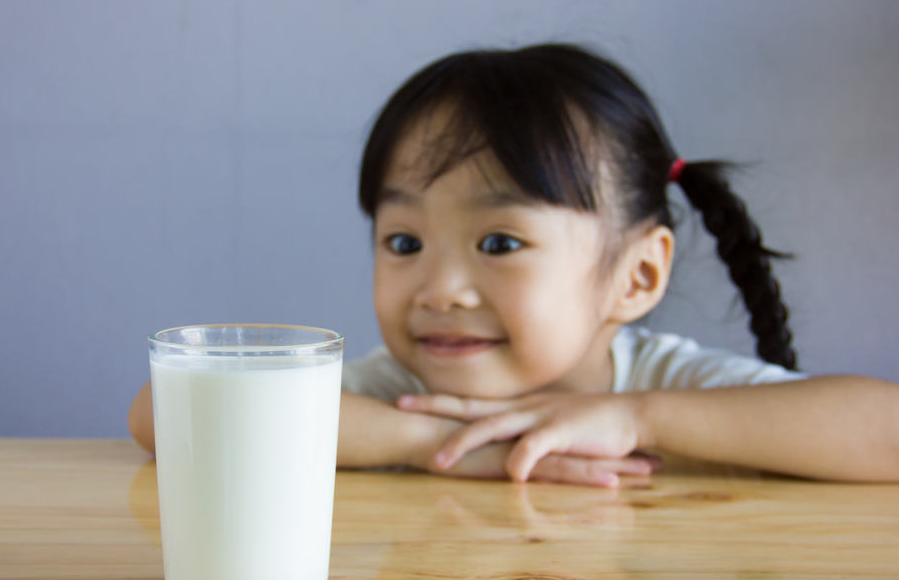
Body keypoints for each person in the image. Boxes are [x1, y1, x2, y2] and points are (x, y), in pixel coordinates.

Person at [129, 43, 899, 486]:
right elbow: (164, 411)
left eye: (499, 243)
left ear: (636, 276)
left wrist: (636, 419)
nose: (439, 288)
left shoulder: (659, 384)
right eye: (403, 242)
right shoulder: (409, 397)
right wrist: (454, 447)